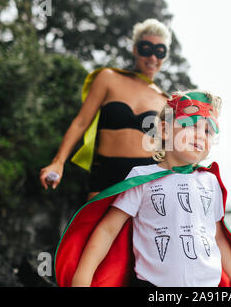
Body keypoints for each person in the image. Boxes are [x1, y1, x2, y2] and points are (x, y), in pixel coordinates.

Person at [54, 91, 231, 287]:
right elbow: (108, 230)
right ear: (164, 130)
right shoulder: (142, 178)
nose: (200, 136)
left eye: (208, 131)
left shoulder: (210, 181)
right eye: (191, 125)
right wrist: (83, 276)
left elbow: (219, 237)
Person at [39, 18, 172, 199]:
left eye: (160, 52)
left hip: (147, 183)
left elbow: (171, 152)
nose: (153, 58)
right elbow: (81, 122)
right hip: (106, 177)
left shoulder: (166, 101)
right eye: (146, 49)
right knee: (95, 227)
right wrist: (58, 162)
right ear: (135, 49)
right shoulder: (108, 78)